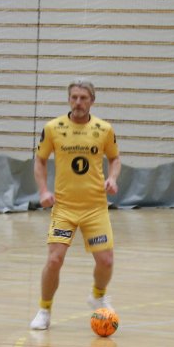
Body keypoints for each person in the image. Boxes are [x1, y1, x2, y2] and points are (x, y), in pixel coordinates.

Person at [30, 79, 121, 330]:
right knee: (54, 260)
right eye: (74, 97)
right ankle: (44, 310)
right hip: (64, 208)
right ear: (69, 99)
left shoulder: (104, 129)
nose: (78, 102)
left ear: (92, 101)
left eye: (83, 98)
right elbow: (40, 161)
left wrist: (112, 178)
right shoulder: (53, 128)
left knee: (106, 261)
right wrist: (43, 191)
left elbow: (115, 159)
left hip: (95, 207)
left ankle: (98, 295)